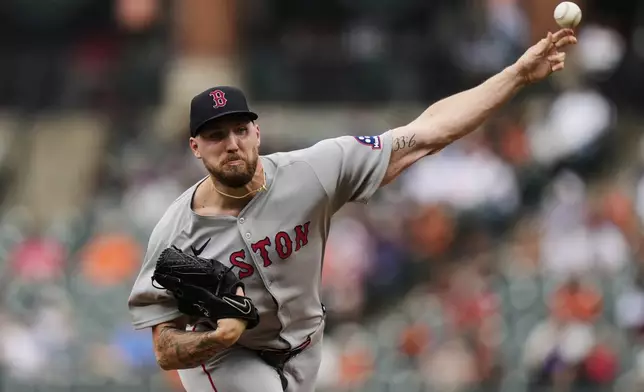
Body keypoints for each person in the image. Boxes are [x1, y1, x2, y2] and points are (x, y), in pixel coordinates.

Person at [128, 29, 577, 391]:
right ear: (195, 148)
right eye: (215, 135)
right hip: (226, 358)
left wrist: (517, 75)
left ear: (257, 133)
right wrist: (216, 337)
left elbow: (428, 132)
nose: (231, 144)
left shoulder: (312, 172)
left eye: (239, 130)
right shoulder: (176, 233)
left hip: (305, 346)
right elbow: (165, 347)